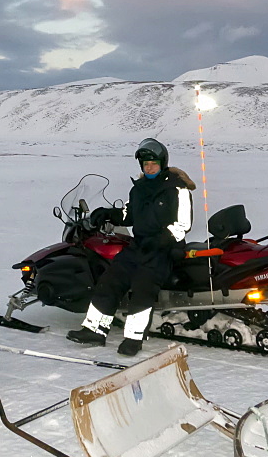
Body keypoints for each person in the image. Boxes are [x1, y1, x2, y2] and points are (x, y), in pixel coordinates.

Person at [66, 138, 195, 356]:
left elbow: (183, 224)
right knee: (111, 279)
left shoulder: (177, 189)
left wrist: (162, 239)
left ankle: (133, 339)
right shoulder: (139, 189)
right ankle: (94, 330)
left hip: (164, 248)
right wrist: (107, 213)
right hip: (139, 245)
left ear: (162, 163)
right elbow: (128, 214)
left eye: (153, 163)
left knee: (143, 287)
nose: (149, 167)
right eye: (145, 164)